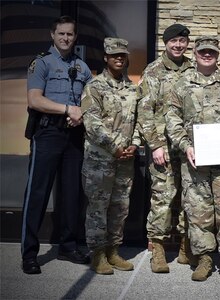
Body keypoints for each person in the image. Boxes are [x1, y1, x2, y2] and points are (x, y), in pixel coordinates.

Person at [165, 36, 220, 286]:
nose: (207, 55)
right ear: (195, 53)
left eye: (211, 52)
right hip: (194, 161)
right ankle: (204, 258)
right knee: (198, 210)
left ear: (217, 55)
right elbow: (172, 119)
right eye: (202, 51)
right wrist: (185, 145)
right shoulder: (182, 84)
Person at [21, 15, 92, 275]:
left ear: (75, 37)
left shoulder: (82, 67)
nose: (65, 38)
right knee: (37, 193)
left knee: (72, 194)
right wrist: (67, 110)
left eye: (70, 34)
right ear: (53, 35)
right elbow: (34, 101)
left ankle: (68, 246)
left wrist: (81, 113)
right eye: (61, 33)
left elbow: (90, 100)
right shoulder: (41, 63)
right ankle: (29, 253)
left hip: (74, 136)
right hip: (48, 133)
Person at [80, 37, 142, 275]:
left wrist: (134, 145)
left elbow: (140, 121)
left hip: (125, 160)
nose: (119, 58)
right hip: (100, 160)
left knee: (120, 207)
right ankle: (97, 253)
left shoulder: (132, 88)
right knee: (98, 207)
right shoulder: (94, 87)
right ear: (106, 57)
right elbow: (92, 123)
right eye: (114, 54)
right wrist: (116, 146)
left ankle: (113, 251)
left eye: (122, 55)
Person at [138, 23, 196, 273]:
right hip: (163, 145)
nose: (178, 45)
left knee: (189, 197)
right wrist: (155, 144)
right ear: (166, 42)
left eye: (182, 41)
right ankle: (158, 250)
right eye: (174, 41)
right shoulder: (153, 71)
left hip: (189, 147)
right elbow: (144, 111)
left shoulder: (194, 70)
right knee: (162, 197)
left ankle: (185, 248)